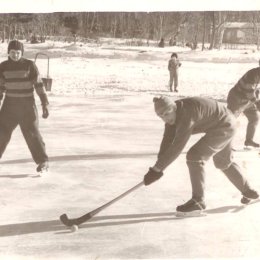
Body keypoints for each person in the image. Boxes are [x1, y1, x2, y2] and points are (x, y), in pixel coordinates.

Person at [143, 96, 259, 216]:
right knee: (223, 163)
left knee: (195, 157)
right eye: (161, 116)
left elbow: (178, 146)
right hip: (226, 123)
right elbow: (167, 140)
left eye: (167, 113)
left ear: (173, 108)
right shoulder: (174, 116)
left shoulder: (186, 115)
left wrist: (157, 169)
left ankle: (198, 201)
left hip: (224, 126)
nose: (165, 118)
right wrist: (158, 166)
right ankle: (248, 191)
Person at [0, 40, 49, 173]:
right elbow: (0, 88)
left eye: (18, 53)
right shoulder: (3, 67)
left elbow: (39, 85)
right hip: (9, 106)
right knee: (1, 133)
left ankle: (43, 162)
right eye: (12, 53)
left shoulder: (29, 65)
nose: (15, 55)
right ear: (8, 53)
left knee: (32, 134)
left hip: (27, 105)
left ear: (22, 53)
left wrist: (44, 103)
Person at [227, 63, 260, 149]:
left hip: (248, 100)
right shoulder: (252, 74)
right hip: (237, 99)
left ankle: (249, 141)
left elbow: (255, 90)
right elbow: (249, 90)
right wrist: (257, 102)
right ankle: (225, 145)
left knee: (254, 118)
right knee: (229, 121)